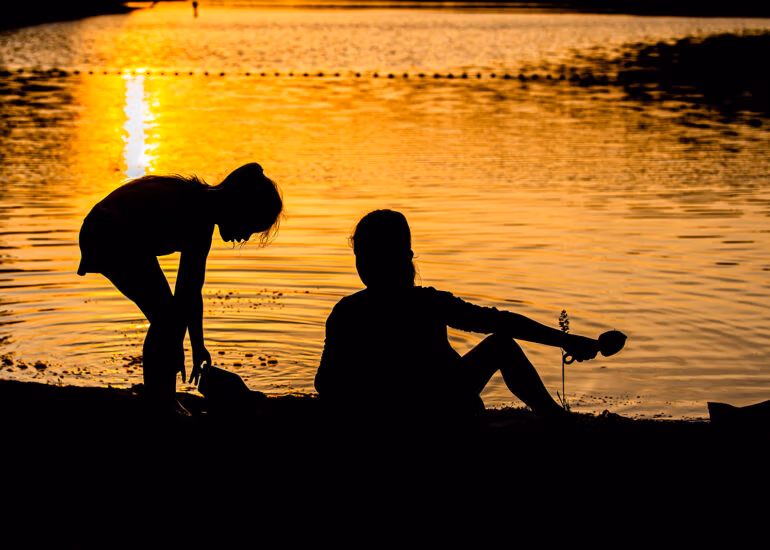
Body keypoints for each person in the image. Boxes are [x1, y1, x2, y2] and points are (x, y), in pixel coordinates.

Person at [315, 209, 619, 422]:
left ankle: (550, 416)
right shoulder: (429, 302)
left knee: (500, 341)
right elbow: (503, 322)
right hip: (444, 408)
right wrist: (569, 341)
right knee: (501, 345)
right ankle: (552, 416)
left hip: (386, 414)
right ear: (407, 258)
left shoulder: (347, 311)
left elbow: (325, 383)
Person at [78, 163, 283, 414]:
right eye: (250, 227)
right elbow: (183, 299)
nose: (245, 237)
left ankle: (160, 396)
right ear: (239, 207)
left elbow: (190, 291)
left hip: (116, 232)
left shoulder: (203, 214)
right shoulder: (195, 210)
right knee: (166, 319)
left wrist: (197, 345)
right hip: (108, 231)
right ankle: (159, 401)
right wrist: (176, 341)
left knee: (167, 318)